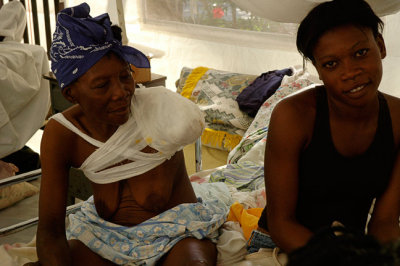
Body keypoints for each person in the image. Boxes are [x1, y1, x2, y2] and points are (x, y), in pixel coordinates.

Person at [32, 3, 228, 266]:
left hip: (176, 236)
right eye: (102, 85)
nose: (121, 92)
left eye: (125, 77)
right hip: (105, 238)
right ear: (70, 94)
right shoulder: (63, 134)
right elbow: (50, 231)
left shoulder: (159, 111)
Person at [256, 0, 400, 254]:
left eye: (360, 53)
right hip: (284, 246)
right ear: (319, 71)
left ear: (380, 46)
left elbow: (384, 222)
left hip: (351, 249)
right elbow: (281, 224)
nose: (350, 72)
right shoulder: (294, 116)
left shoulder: (399, 119)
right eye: (331, 64)